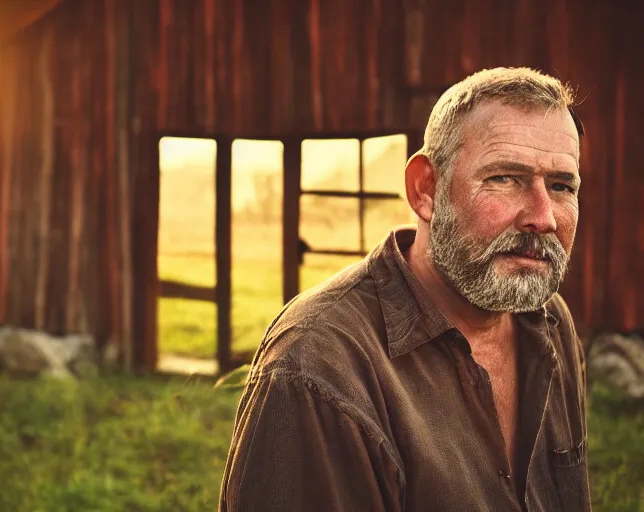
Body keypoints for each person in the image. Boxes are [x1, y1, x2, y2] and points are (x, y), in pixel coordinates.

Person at [219, 67, 589, 511]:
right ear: (425, 190)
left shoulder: (548, 321)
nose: (543, 217)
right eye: (504, 179)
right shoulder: (315, 370)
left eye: (561, 185)